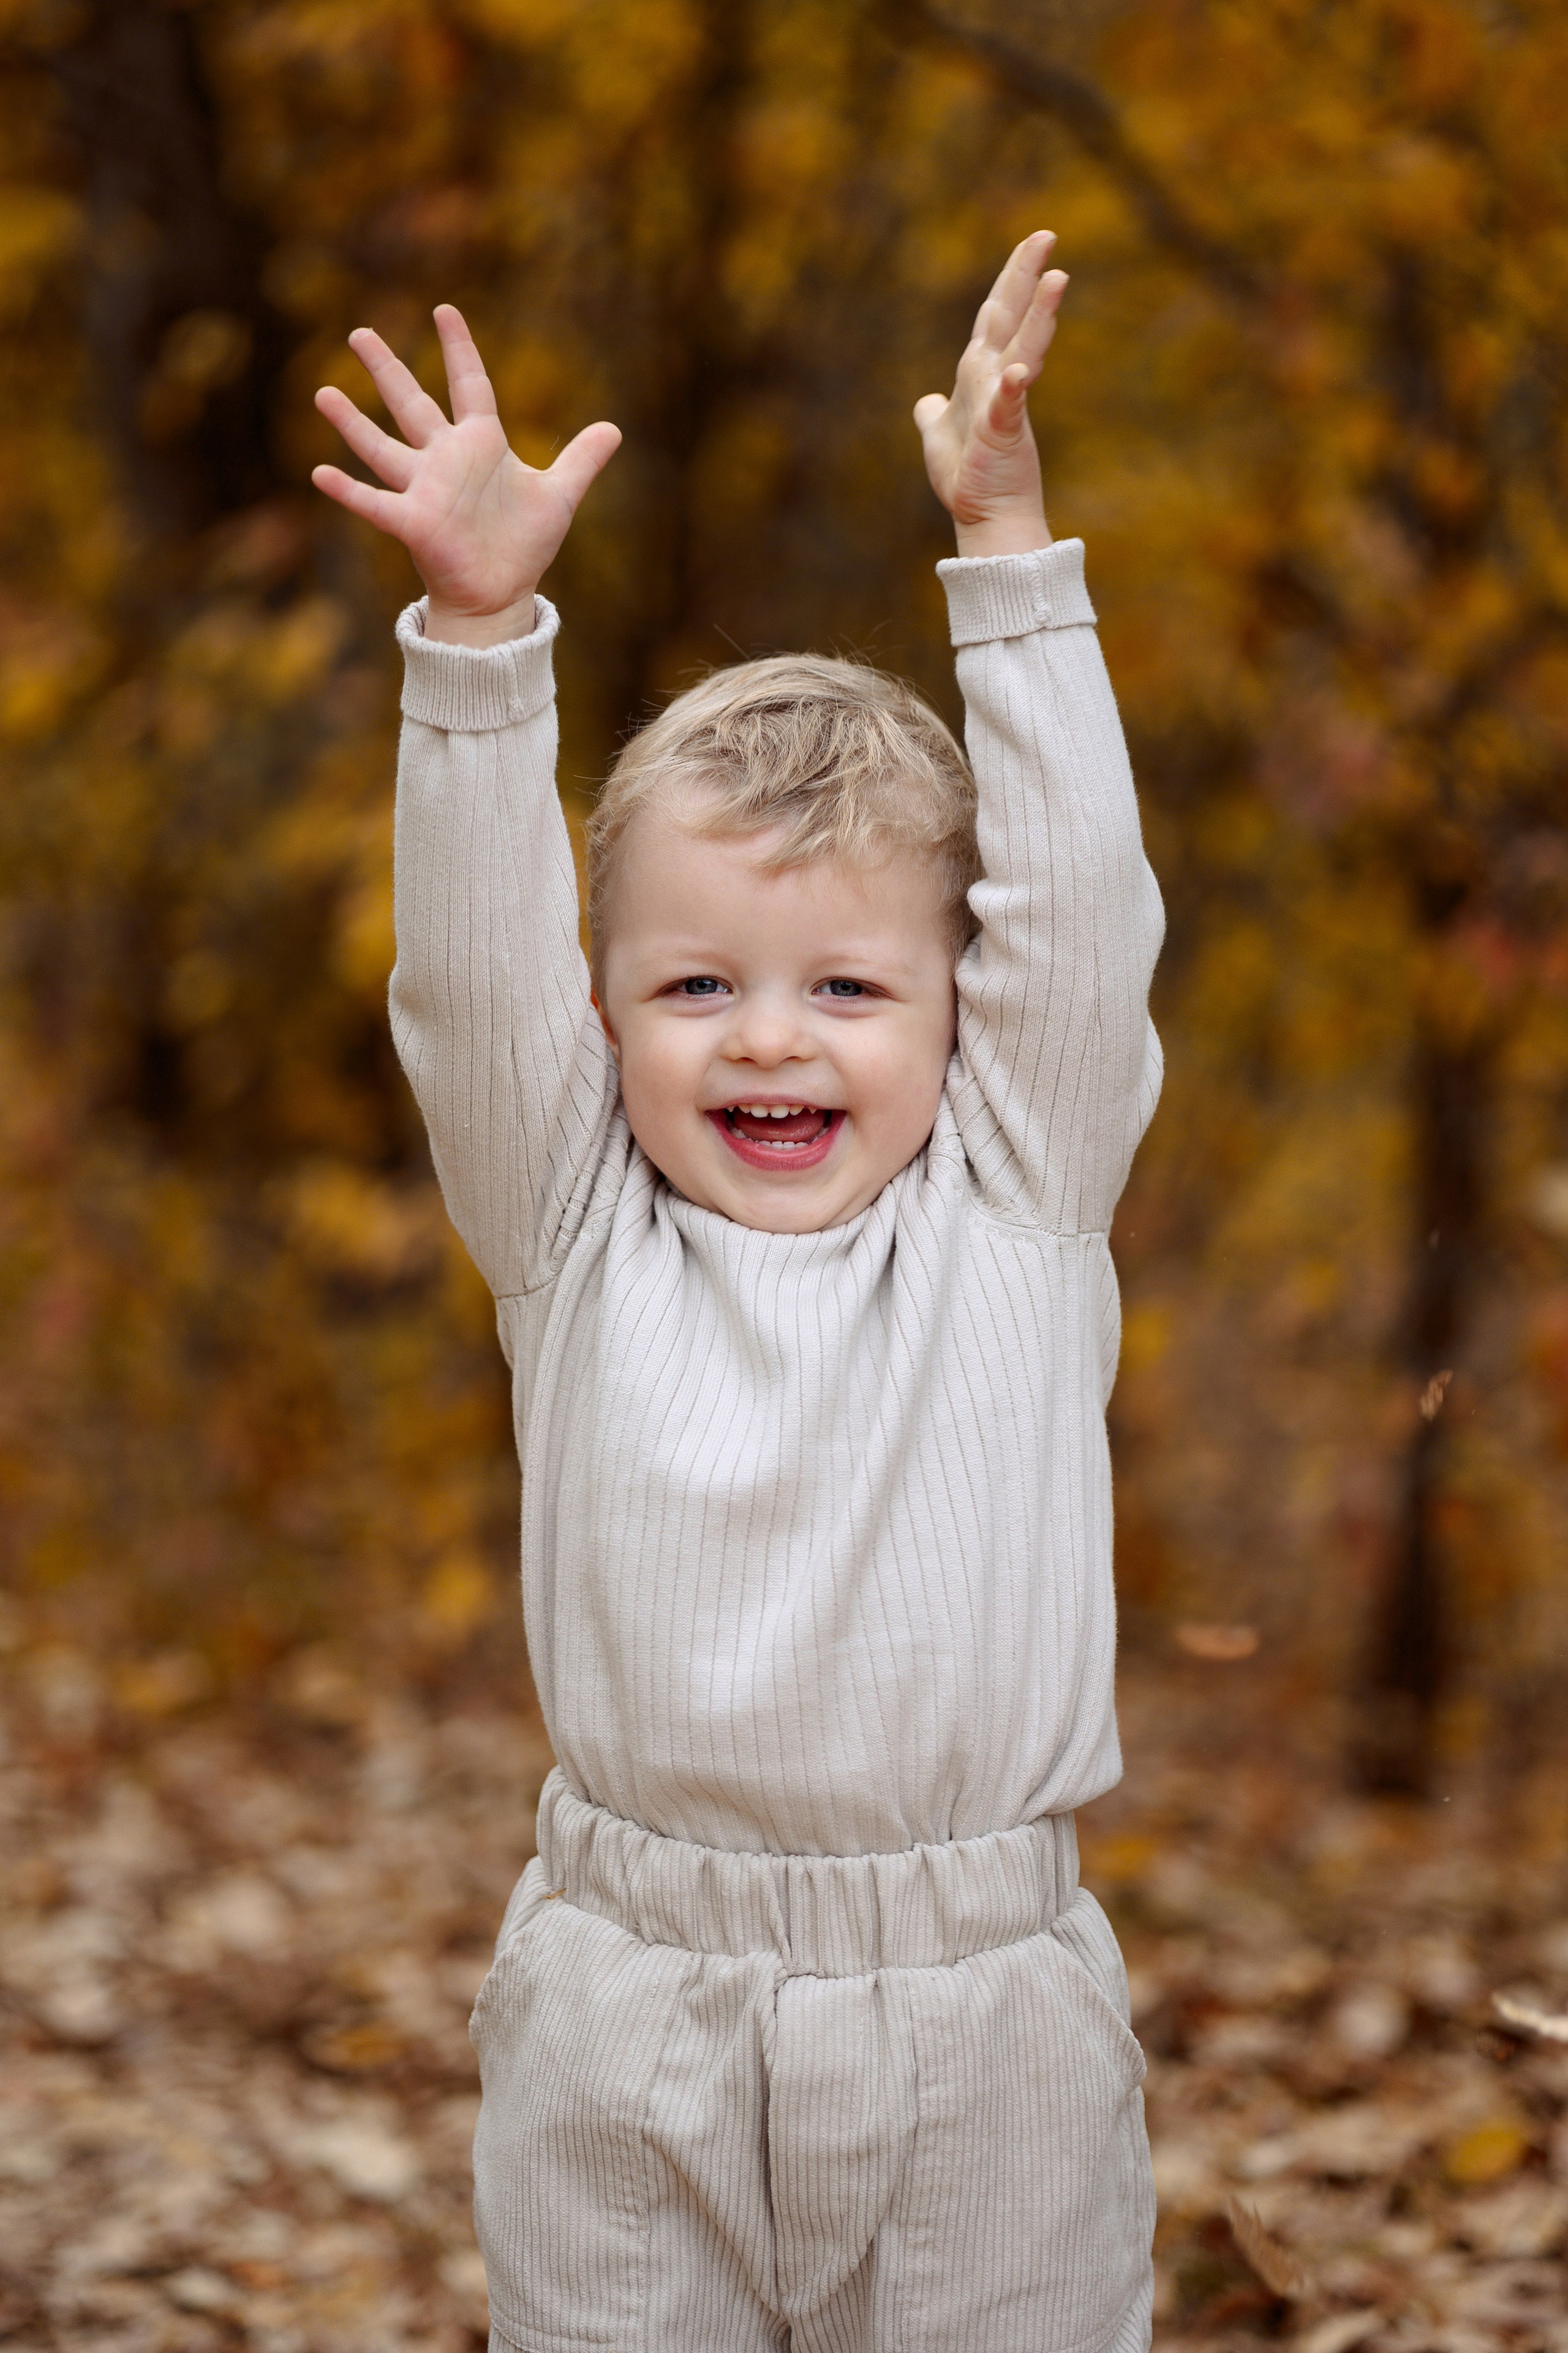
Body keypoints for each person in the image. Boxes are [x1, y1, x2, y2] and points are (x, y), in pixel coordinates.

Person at [312, 232, 1164, 2353]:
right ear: (602, 1022)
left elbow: (1086, 915)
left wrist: (1009, 548)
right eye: (694, 986)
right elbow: (468, 981)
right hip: (630, 2007)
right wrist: (483, 641)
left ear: (962, 1014)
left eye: (847, 987)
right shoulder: (574, 1221)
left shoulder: (1021, 1186)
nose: (768, 1039)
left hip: (987, 2027)